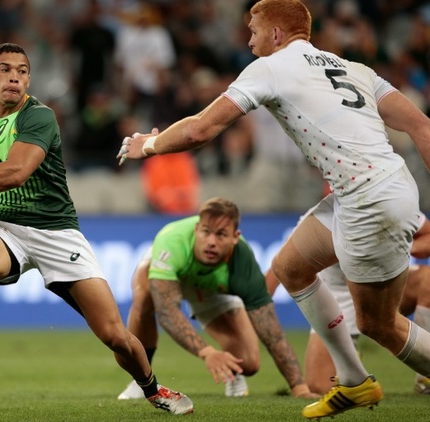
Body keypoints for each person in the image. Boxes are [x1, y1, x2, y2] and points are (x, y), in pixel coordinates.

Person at [116, 0, 430, 419]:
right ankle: (354, 382)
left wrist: (149, 145)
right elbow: (421, 126)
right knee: (290, 267)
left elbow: (200, 128)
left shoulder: (272, 67)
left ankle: (359, 381)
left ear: (277, 35)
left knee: (379, 324)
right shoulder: (355, 69)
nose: (248, 41)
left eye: (254, 30)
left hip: (367, 200)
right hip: (384, 187)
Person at [0, 42, 193, 416]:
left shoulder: (39, 117)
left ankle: (152, 389)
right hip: (4, 228)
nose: (14, 76)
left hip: (57, 232)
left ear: (28, 79)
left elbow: (16, 172)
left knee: (114, 334)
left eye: (21, 70)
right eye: (5, 69)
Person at [116, 197, 317, 400]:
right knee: (143, 295)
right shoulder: (172, 241)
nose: (211, 242)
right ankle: (141, 379)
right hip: (172, 277)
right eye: (206, 232)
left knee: (249, 363)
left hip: (212, 290)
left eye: (221, 234)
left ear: (235, 237)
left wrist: (299, 388)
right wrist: (208, 352)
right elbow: (167, 313)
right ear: (196, 230)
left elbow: (272, 334)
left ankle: (232, 373)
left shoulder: (243, 263)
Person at [266, 198, 430, 395]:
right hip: (337, 299)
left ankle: (425, 380)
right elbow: (277, 272)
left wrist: (397, 246)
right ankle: (350, 361)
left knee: (426, 281)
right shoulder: (320, 217)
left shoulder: (384, 201)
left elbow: (427, 235)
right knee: (319, 386)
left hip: (382, 287)